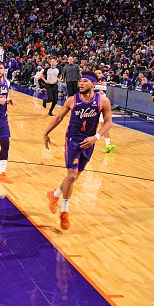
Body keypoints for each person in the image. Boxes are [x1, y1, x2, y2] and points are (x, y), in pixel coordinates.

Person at [44, 71, 112, 230]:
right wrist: (46, 133)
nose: (80, 83)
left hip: (89, 142)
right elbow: (58, 118)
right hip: (73, 141)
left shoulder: (102, 101)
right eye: (80, 81)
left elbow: (108, 123)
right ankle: (64, 211)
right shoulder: (72, 100)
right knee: (72, 175)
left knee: (73, 178)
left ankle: (54, 195)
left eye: (85, 81)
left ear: (93, 84)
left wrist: (96, 137)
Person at [94, 69, 116, 153]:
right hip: (93, 107)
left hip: (102, 107)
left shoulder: (104, 83)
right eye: (96, 73)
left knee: (104, 126)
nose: (98, 74)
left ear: (102, 75)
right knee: (92, 126)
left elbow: (103, 94)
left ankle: (108, 145)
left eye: (99, 73)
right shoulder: (91, 83)